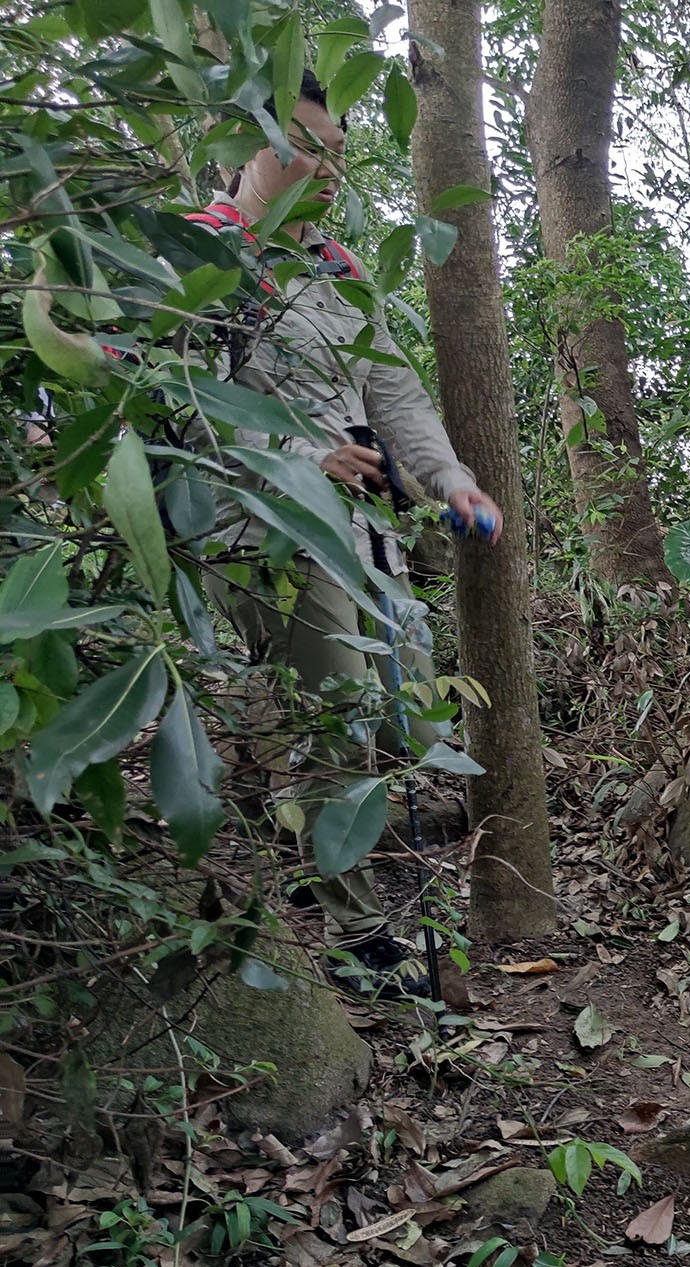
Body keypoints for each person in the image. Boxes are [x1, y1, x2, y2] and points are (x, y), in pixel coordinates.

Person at [191, 71, 502, 1000]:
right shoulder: (205, 256)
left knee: (401, 708)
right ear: (248, 145)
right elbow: (177, 407)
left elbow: (392, 390)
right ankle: (358, 938)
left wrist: (452, 478)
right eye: (306, 145)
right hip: (265, 531)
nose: (328, 167)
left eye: (337, 152)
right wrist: (293, 455)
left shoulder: (336, 267)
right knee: (343, 725)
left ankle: (298, 830)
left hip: (365, 532)